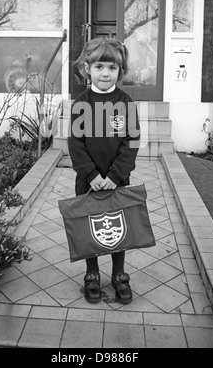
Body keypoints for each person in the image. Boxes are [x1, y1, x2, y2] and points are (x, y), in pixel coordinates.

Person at [68, 37, 140, 305]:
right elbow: (75, 144)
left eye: (112, 68)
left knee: (117, 227)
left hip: (116, 181)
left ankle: (119, 273)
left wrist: (113, 177)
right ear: (87, 68)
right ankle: (92, 274)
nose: (105, 73)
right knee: (91, 226)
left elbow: (131, 143)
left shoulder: (125, 103)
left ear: (120, 71)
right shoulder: (81, 103)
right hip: (87, 181)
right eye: (99, 67)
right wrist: (92, 175)